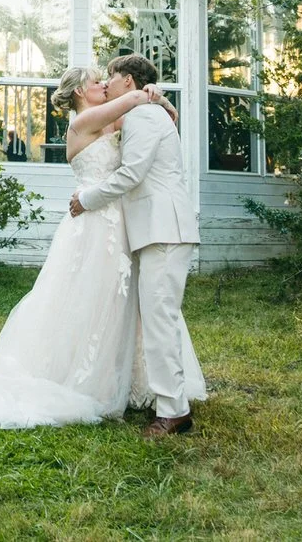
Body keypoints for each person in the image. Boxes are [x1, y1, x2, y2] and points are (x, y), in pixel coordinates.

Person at [0, 65, 182, 429]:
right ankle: (81, 376)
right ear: (80, 91)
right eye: (96, 81)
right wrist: (149, 92)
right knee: (88, 299)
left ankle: (128, 379)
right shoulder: (84, 123)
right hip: (94, 224)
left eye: (105, 79)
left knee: (120, 302)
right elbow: (136, 99)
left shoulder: (112, 121)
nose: (102, 84)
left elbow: (150, 122)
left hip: (121, 223)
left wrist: (163, 103)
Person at [69, 52, 207, 437]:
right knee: (158, 318)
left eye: (110, 79)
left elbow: (132, 173)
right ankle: (170, 402)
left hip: (164, 229)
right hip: (155, 229)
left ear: (127, 81)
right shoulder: (140, 112)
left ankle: (173, 412)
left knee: (161, 320)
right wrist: (161, 98)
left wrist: (88, 199)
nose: (106, 86)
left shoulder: (144, 116)